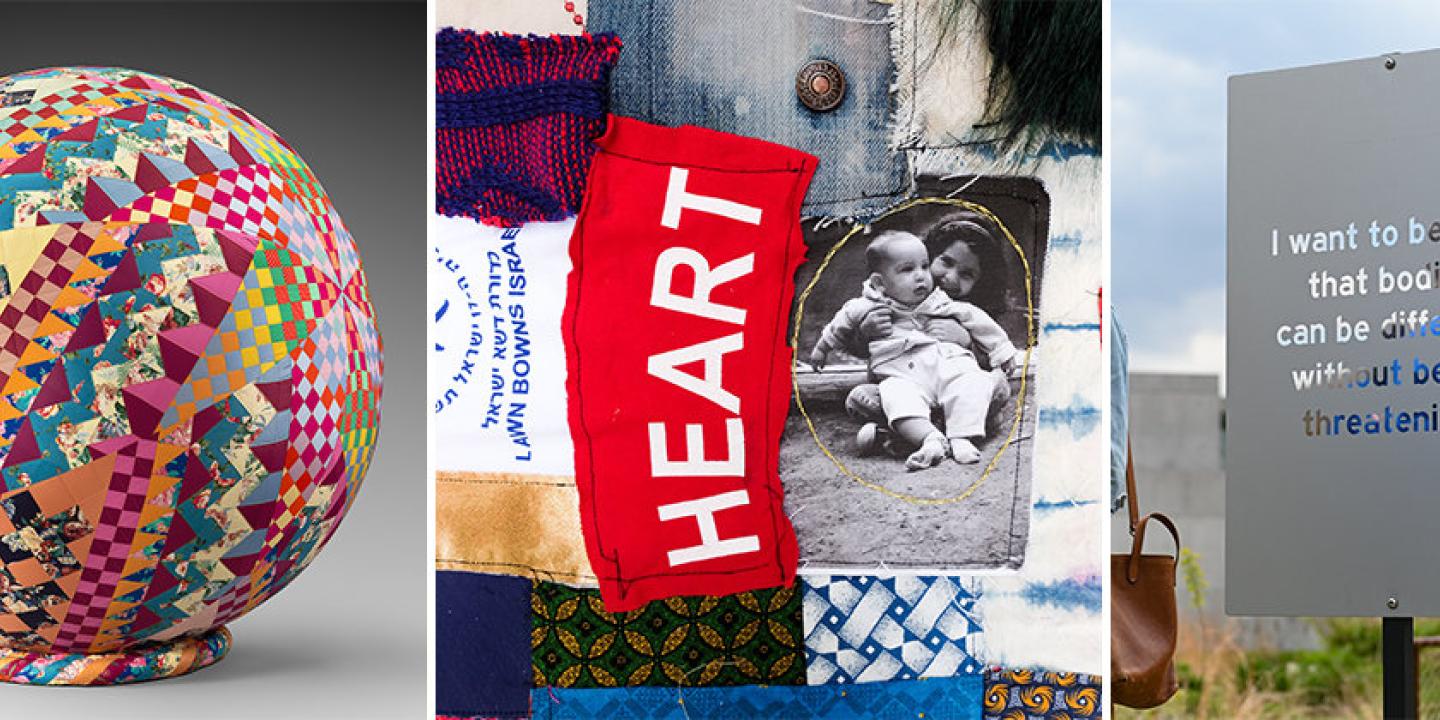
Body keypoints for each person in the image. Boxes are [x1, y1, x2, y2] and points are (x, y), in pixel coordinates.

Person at [810, 230, 1015, 469]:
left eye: (967, 274)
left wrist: (972, 341)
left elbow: (978, 320)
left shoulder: (941, 302)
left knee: (987, 384)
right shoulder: (869, 305)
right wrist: (853, 336)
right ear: (879, 282)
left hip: (948, 374)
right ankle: (933, 437)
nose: (923, 277)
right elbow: (841, 324)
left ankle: (950, 437)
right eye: (944, 262)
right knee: (871, 397)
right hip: (903, 377)